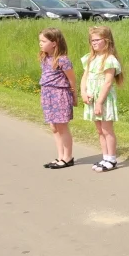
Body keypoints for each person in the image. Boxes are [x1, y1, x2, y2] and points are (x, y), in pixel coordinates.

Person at [81, 26, 124, 173]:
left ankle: (111, 158)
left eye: (97, 40)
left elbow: (107, 82)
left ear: (107, 41)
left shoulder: (109, 60)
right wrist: (83, 92)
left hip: (103, 99)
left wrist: (99, 101)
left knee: (107, 129)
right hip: (92, 98)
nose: (94, 42)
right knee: (99, 130)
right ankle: (105, 157)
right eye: (92, 40)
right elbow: (84, 76)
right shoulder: (90, 58)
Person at [39, 28, 77, 169]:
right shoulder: (45, 58)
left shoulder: (63, 60)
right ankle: (60, 156)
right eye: (40, 41)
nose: (40, 44)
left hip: (60, 95)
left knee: (62, 127)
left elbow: (72, 80)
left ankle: (68, 157)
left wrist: (74, 95)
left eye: (43, 41)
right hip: (47, 94)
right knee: (54, 127)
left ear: (54, 43)